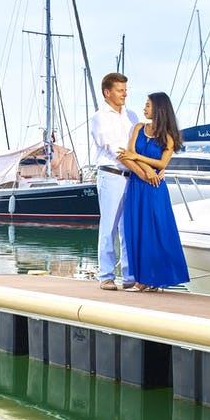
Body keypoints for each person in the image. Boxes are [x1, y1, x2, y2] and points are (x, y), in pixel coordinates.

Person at [117, 91, 189, 291]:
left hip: (155, 188)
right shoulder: (139, 127)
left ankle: (153, 280)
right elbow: (126, 156)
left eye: (148, 105)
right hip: (137, 185)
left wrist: (139, 158)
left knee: (155, 232)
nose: (144, 108)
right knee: (136, 230)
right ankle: (142, 279)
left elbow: (162, 162)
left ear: (158, 109)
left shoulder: (168, 137)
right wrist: (146, 169)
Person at [89, 72, 139, 290]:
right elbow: (117, 150)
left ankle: (130, 277)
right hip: (112, 174)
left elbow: (136, 149)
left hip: (132, 175)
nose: (124, 94)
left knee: (128, 227)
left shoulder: (133, 116)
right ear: (107, 92)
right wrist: (145, 171)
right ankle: (106, 276)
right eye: (120, 90)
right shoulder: (99, 117)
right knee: (109, 226)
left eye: (126, 90)